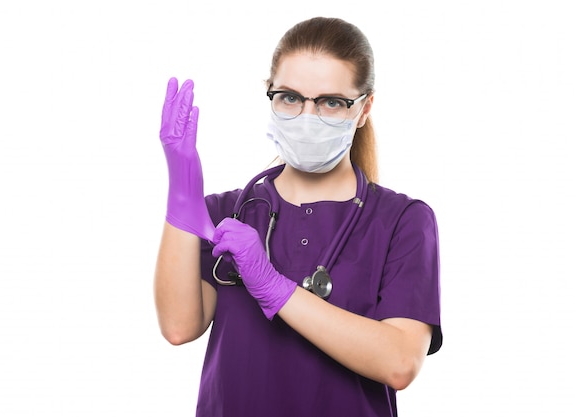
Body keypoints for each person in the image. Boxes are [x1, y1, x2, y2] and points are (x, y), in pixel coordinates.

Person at [155, 16, 442, 417]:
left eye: (331, 102)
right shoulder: (226, 214)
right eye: (290, 97)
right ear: (270, 95)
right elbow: (179, 326)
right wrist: (182, 194)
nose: (307, 117)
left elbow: (399, 363)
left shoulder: (402, 221)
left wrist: (273, 286)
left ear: (363, 109)